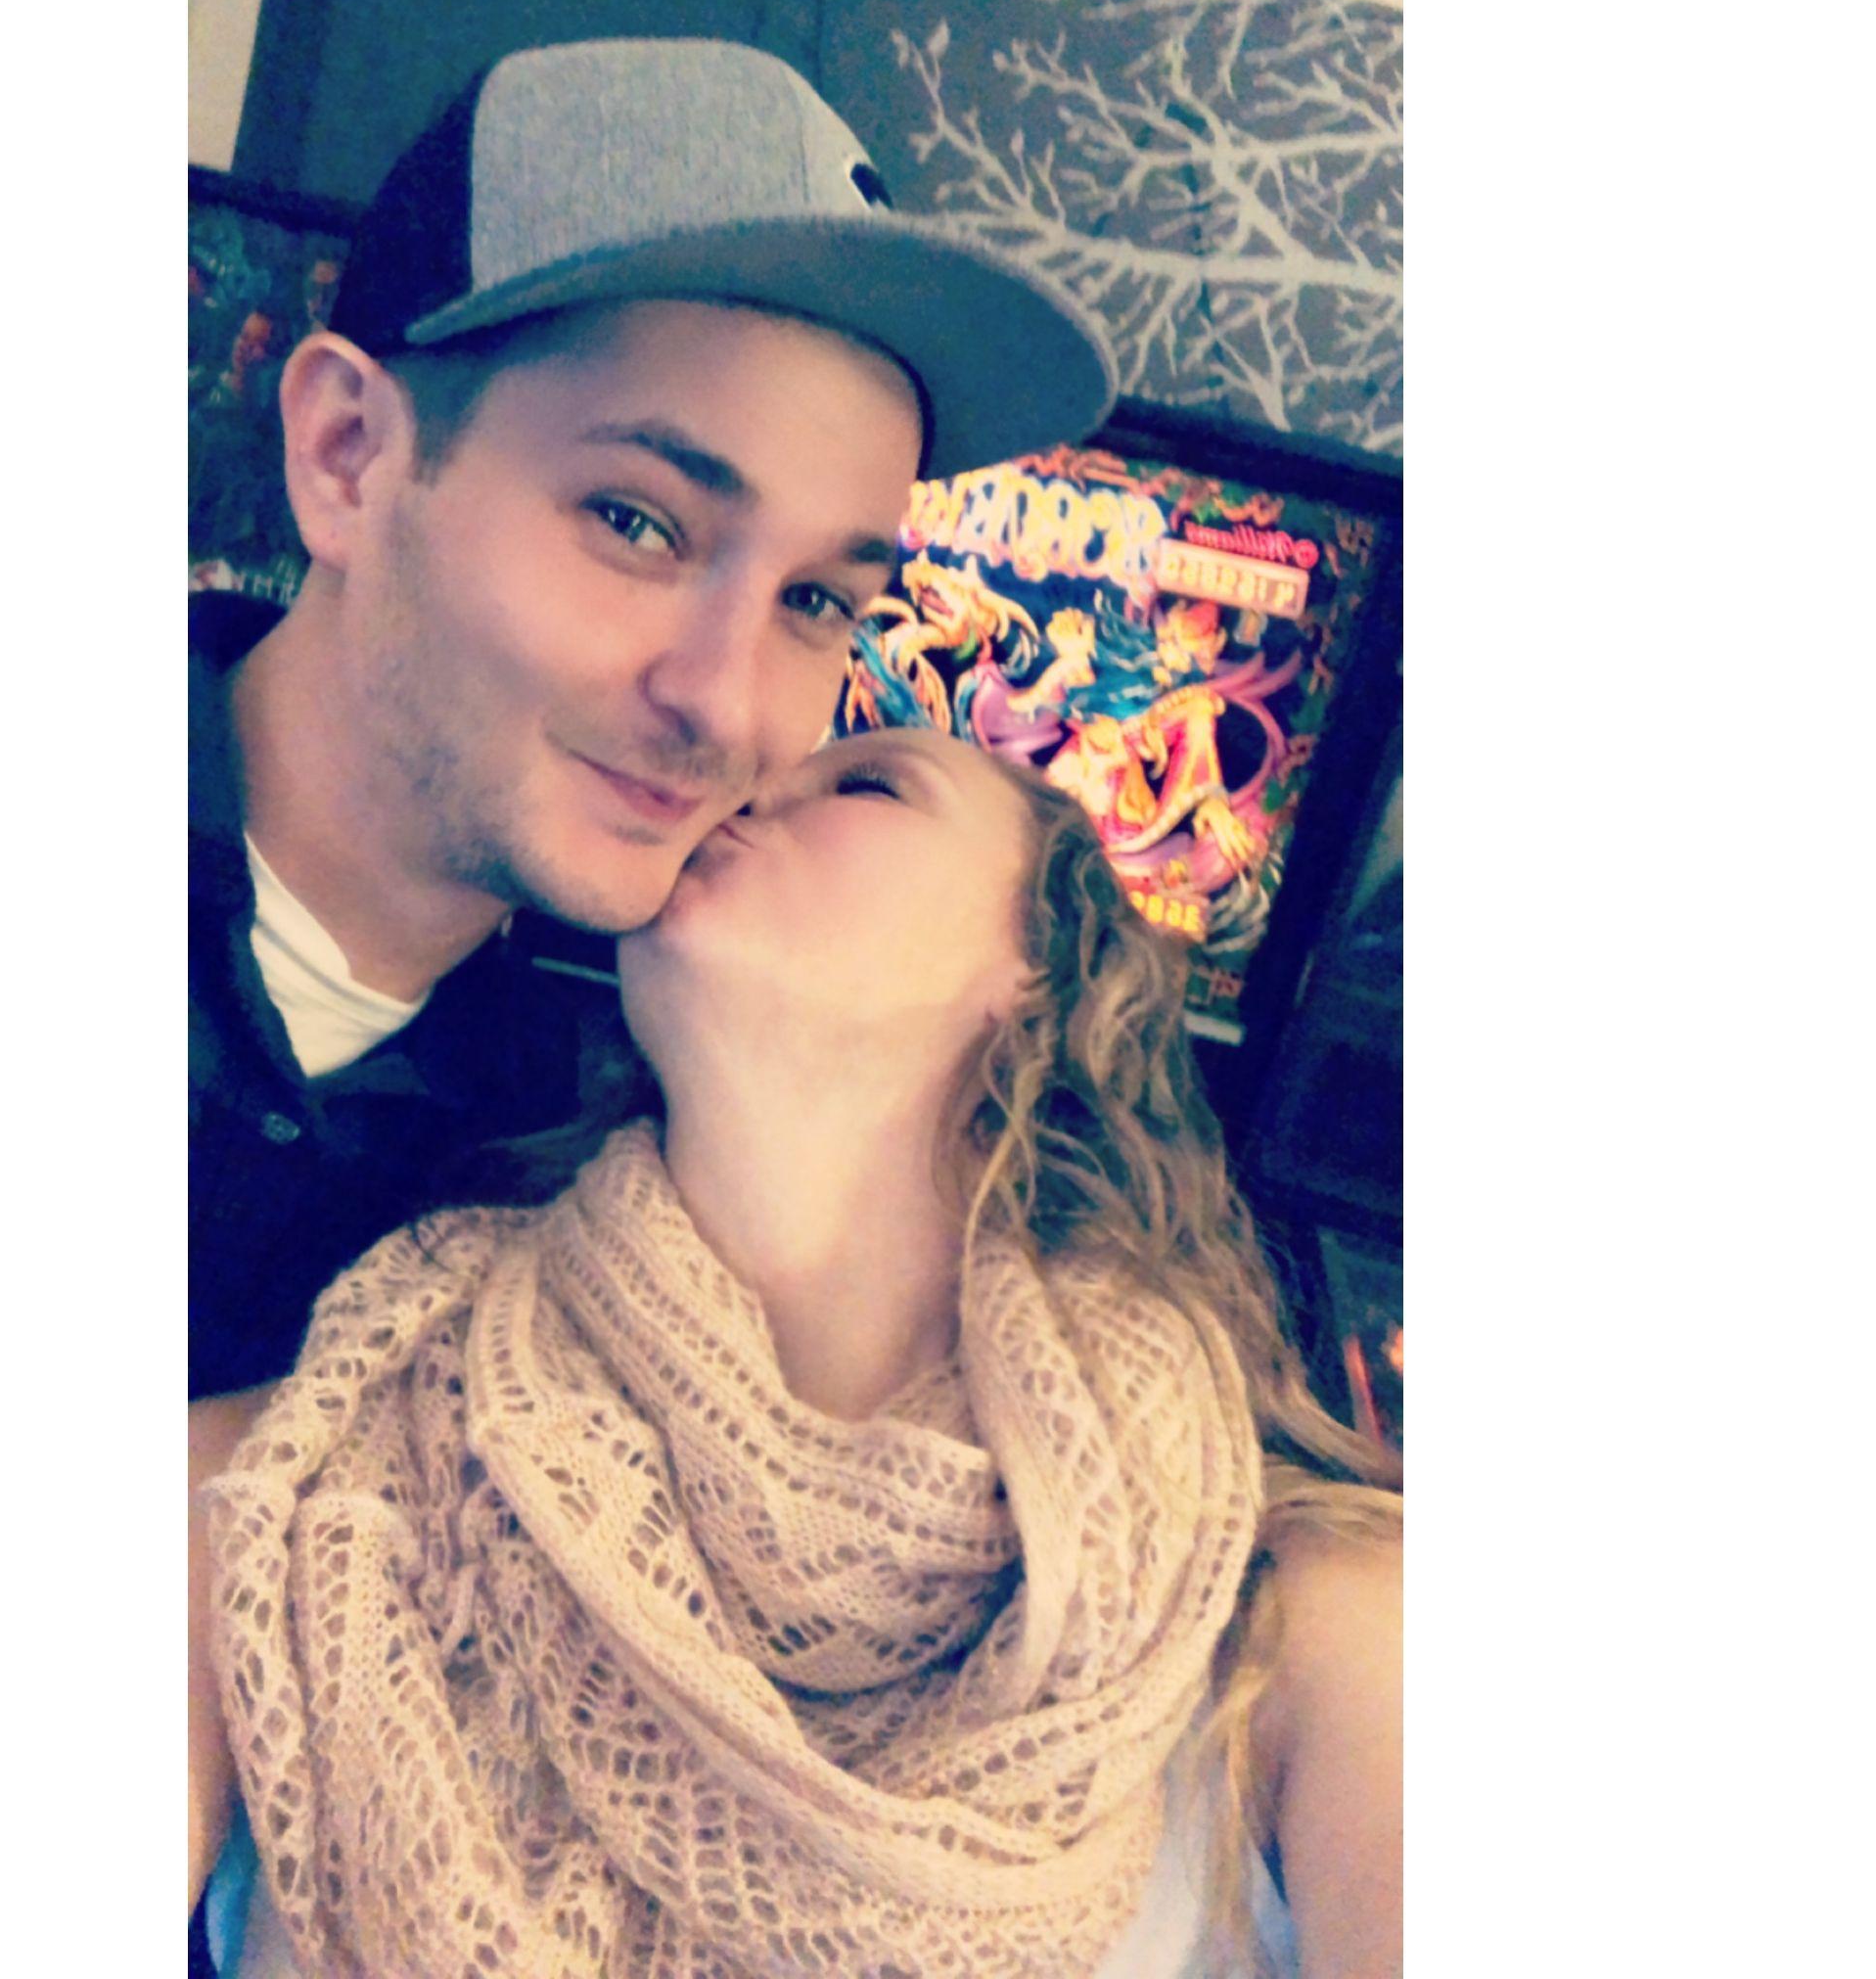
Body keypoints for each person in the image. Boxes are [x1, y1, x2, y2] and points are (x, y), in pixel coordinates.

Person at [192, 725, 1401, 1978]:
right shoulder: (285, 1482)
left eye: (868, 784)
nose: (736, 791)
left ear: (1041, 973)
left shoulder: (1309, 1637)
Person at [191, 35, 1118, 1404]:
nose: (723, 704)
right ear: (349, 455)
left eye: (817, 601)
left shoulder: (580, 1156)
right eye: (638, 524)